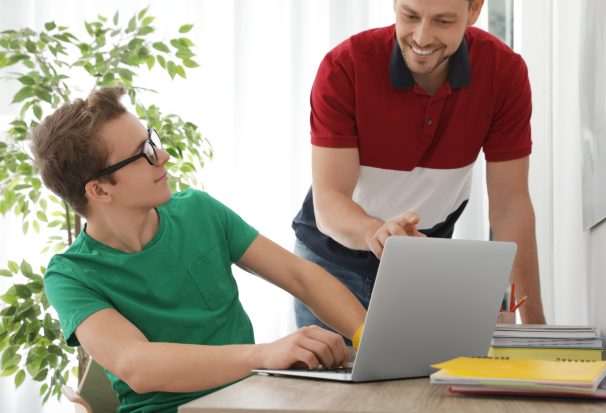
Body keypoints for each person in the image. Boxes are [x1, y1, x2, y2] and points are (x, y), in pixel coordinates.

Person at [32, 87, 366, 413]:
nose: (162, 156)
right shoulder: (70, 276)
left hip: (255, 398)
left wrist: (366, 335)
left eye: (152, 141)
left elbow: (300, 276)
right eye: (143, 153)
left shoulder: (198, 210)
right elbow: (137, 365)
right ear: (100, 191)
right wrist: (264, 356)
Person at [292, 0, 546, 330]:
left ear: (474, 11)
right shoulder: (345, 67)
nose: (422, 37)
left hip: (424, 265)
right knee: (330, 382)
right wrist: (377, 233)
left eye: (442, 21)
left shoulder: (503, 73)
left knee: (430, 382)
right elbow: (329, 202)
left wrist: (537, 329)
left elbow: (510, 207)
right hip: (331, 265)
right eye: (410, 16)